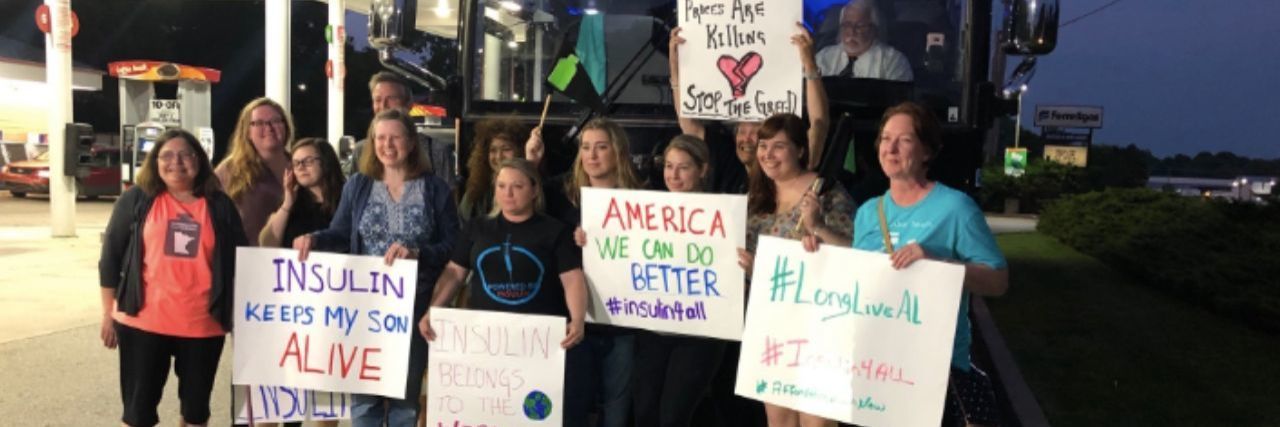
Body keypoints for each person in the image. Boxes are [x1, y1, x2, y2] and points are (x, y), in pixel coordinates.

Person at [293, 109, 460, 427]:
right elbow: (340, 233)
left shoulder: (435, 189)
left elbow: (453, 245)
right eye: (380, 138)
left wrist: (418, 254)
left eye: (395, 137)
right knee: (364, 399)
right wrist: (313, 240)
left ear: (411, 142)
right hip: (364, 309)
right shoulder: (358, 185)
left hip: (413, 308)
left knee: (405, 399)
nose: (387, 144)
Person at [850, 101, 1007, 426]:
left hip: (934, 372)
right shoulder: (867, 212)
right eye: (885, 138)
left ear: (926, 151)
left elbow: (998, 281)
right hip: (876, 367)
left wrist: (938, 264)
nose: (890, 148)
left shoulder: (955, 208)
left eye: (904, 140)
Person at [419, 158, 590, 426]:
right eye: (501, 186)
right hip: (486, 344)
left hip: (538, 345)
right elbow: (454, 272)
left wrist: (578, 318)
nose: (508, 193)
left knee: (535, 416)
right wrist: (434, 309)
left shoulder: (555, 231)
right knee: (490, 413)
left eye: (517, 186)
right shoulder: (476, 228)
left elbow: (572, 279)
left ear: (534, 190)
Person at [98, 129, 248, 427]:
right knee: (138, 413)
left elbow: (240, 261)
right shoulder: (137, 200)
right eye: (166, 155)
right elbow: (110, 258)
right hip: (143, 322)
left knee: (195, 412)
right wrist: (107, 314)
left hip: (203, 325)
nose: (176, 162)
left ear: (199, 160)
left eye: (185, 155)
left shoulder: (219, 205)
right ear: (155, 162)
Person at [737, 114, 854, 427]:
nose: (768, 154)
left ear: (800, 150)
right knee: (780, 420)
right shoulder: (756, 196)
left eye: (778, 146)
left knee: (817, 421)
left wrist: (818, 227)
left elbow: (856, 253)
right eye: (763, 146)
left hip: (821, 326)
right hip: (771, 323)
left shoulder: (827, 193)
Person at [543, 117, 642, 427]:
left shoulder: (642, 199)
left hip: (622, 321)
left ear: (619, 152)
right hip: (576, 321)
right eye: (585, 148)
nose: (592, 155)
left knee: (617, 408)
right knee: (572, 405)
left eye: (601, 147)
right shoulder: (561, 196)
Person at [631, 135, 730, 427]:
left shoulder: (724, 214)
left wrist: (745, 264)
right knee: (645, 413)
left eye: (683, 167)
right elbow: (619, 251)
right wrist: (592, 240)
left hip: (700, 334)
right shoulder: (646, 211)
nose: (673, 175)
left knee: (673, 418)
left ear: (703, 169)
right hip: (654, 329)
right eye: (668, 166)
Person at [670, 23, 830, 177]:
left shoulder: (787, 167)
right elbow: (689, 124)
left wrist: (809, 65)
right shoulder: (726, 159)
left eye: (755, 132)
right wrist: (676, 66)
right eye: (741, 131)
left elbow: (819, 123)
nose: (746, 139)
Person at [216, 97, 294, 244]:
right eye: (259, 123)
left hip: (294, 262)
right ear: (247, 132)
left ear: (286, 126)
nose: (269, 127)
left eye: (276, 121)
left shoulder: (299, 165)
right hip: (247, 260)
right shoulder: (229, 171)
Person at [259, 138, 346, 248]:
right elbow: (267, 244)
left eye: (308, 161)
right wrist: (287, 203)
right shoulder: (293, 202)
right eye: (296, 163)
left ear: (326, 162)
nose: (300, 167)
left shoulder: (347, 199)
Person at [815, 0, 914, 81]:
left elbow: (901, 102)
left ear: (874, 29)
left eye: (860, 26)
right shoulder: (823, 57)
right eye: (847, 24)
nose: (851, 31)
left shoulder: (892, 61)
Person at [457, 118, 530, 222]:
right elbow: (463, 226)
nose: (499, 156)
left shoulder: (531, 188)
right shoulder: (476, 191)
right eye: (493, 150)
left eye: (506, 149)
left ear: (521, 151)